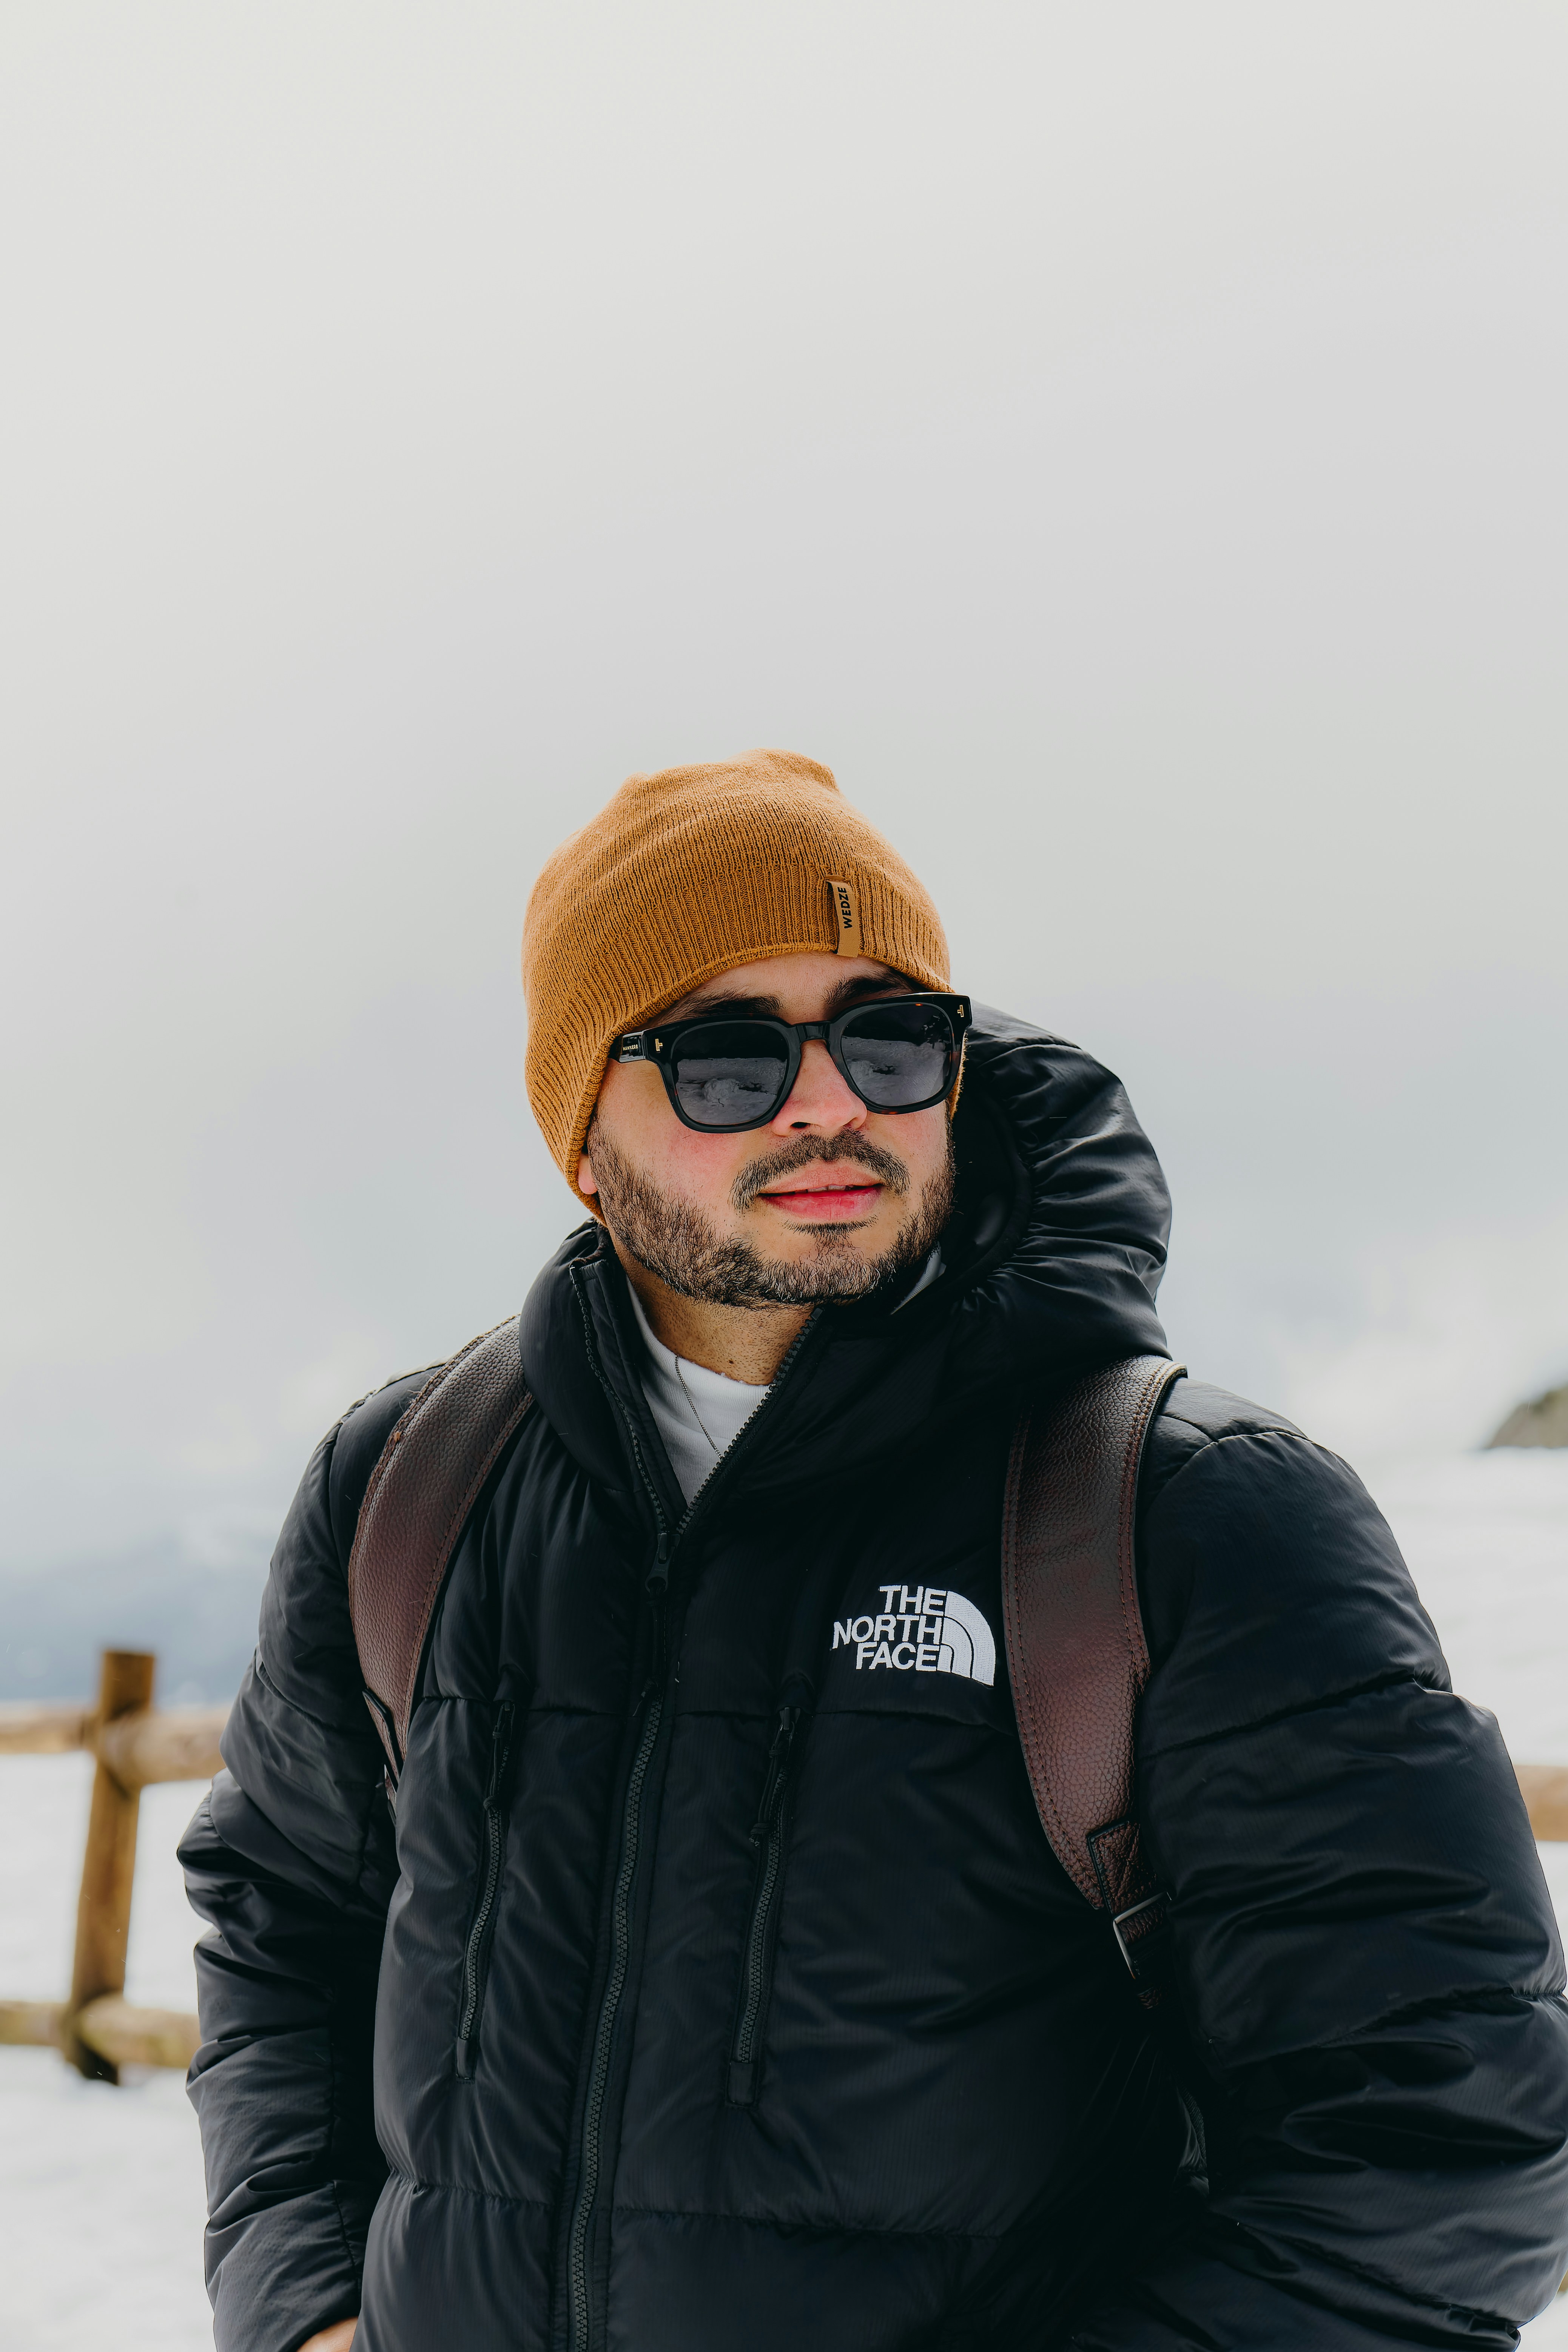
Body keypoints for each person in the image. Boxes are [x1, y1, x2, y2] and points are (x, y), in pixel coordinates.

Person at [181, 750, 1568, 2352]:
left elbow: (1441, 2147)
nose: (828, 1099)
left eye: (891, 1034)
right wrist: (302, 2313)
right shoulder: (412, 1484)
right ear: (580, 1139)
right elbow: (285, 1927)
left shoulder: (1187, 1516)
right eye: (725, 1056)